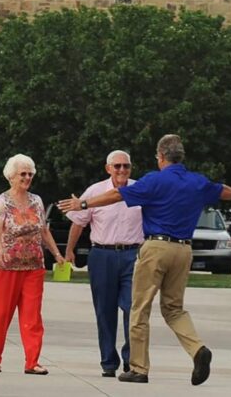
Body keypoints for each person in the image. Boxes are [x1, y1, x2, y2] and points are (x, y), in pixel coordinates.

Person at [57, 134, 231, 385]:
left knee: (139, 308)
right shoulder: (197, 181)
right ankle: (197, 349)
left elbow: (117, 195)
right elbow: (221, 191)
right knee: (174, 309)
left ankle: (139, 368)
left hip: (156, 248)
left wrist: (83, 204)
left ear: (161, 157)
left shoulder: (154, 180)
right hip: (184, 250)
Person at [65, 150, 144, 378]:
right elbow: (79, 222)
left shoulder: (140, 189)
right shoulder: (95, 191)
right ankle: (109, 362)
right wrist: (69, 250)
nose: (122, 170)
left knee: (132, 308)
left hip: (132, 254)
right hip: (102, 254)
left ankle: (132, 360)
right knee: (105, 310)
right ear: (108, 168)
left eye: (126, 166)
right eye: (117, 166)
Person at [0, 154, 65, 375]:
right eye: (23, 174)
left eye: (30, 174)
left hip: (34, 265)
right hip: (6, 266)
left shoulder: (37, 201)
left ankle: (32, 362)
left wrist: (57, 254)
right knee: (1, 314)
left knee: (32, 316)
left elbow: (44, 230)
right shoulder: (2, 201)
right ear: (11, 176)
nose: (27, 177)